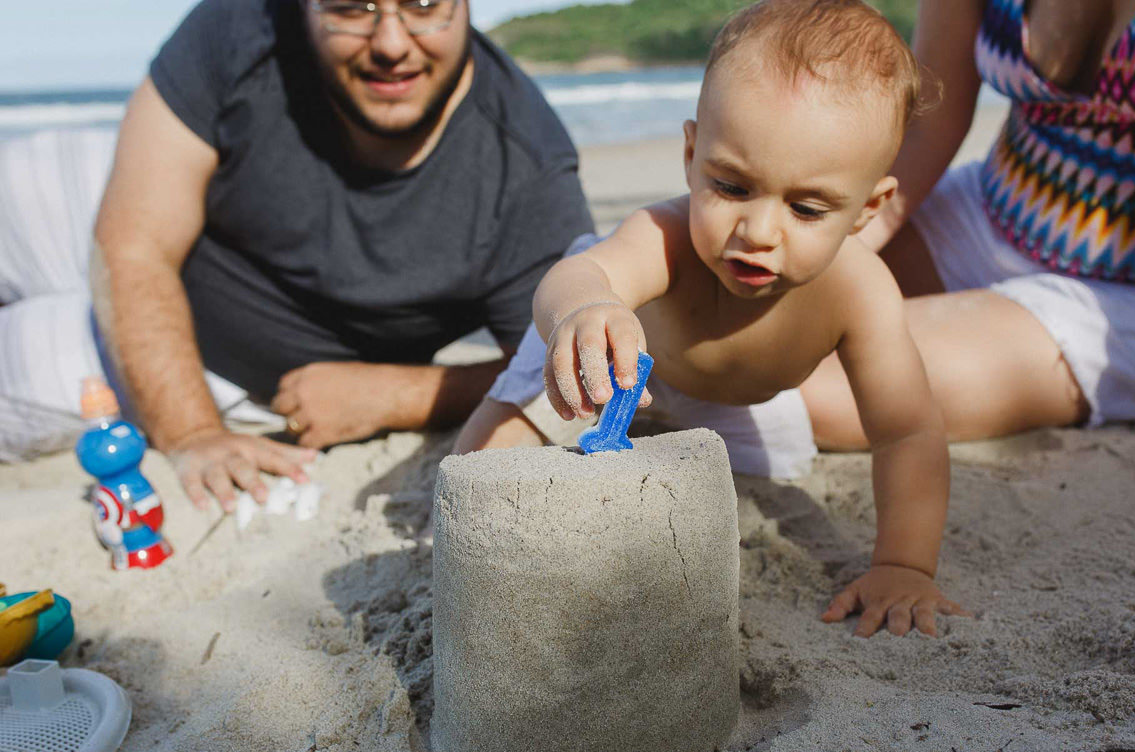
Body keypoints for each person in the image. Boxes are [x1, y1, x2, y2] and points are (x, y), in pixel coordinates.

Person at [453, 0, 970, 638]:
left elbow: (906, 432)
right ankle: (467, 543)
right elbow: (576, 277)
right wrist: (587, 308)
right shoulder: (667, 237)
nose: (757, 231)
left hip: (717, 395)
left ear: (868, 208)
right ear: (693, 154)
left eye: (807, 209)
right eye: (731, 187)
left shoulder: (862, 291)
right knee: (499, 443)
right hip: (608, 344)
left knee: (773, 465)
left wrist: (904, 564)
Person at [1, 0, 592, 510]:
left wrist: (395, 395)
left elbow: (563, 375)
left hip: (203, 363)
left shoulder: (528, 171)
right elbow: (133, 246)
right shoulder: (242, 25)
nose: (391, 43)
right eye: (350, 8)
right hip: (117, 190)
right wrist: (191, 434)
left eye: (423, 5)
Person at [800, 0, 1135, 449]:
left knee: (816, 392)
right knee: (737, 304)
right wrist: (826, 247)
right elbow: (927, 127)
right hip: (984, 212)